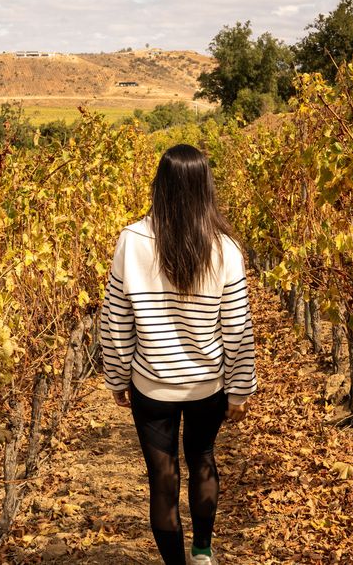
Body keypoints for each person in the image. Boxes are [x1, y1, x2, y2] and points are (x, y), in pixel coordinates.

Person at [99, 144, 257, 565]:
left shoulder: (131, 240)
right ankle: (203, 553)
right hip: (208, 387)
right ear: (206, 188)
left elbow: (116, 320)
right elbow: (238, 330)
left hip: (151, 388)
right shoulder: (226, 249)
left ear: (160, 186)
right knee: (202, 459)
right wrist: (239, 392)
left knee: (162, 482)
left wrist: (116, 378)